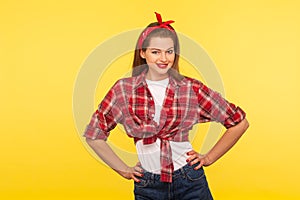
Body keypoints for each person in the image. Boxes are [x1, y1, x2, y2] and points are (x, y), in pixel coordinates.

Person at [84, 12, 249, 200]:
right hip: (148, 184)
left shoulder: (190, 88)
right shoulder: (124, 90)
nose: (164, 58)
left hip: (189, 180)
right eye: (155, 52)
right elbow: (94, 135)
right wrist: (124, 170)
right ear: (143, 53)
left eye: (169, 51)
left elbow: (239, 123)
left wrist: (208, 158)